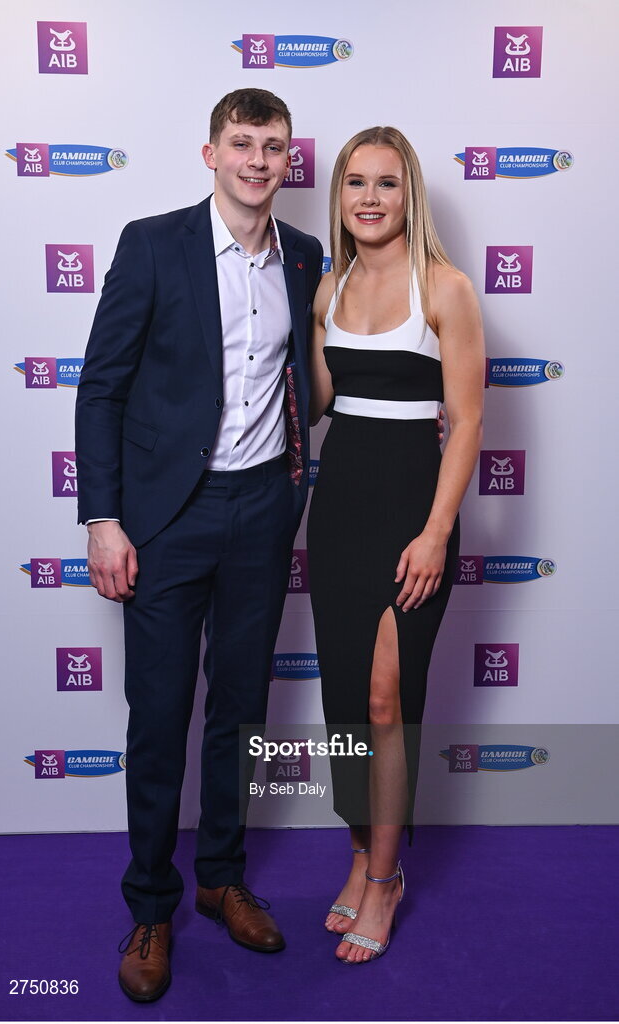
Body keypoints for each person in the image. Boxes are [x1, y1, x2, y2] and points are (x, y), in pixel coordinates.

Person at [75, 88, 323, 1002]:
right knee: (160, 713)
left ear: (289, 160)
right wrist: (103, 518)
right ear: (211, 153)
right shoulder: (153, 243)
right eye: (243, 143)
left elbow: (317, 376)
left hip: (263, 511)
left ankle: (222, 877)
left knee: (242, 710)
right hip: (165, 520)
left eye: (275, 146)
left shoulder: (304, 257)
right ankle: (151, 906)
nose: (260, 160)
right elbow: (99, 388)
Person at [307, 127, 484, 964]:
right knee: (345, 699)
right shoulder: (326, 288)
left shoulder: (445, 287)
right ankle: (356, 857)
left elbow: (470, 421)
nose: (369, 198)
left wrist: (437, 533)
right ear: (338, 196)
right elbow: (314, 402)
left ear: (409, 193)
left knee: (385, 700)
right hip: (336, 506)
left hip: (412, 512)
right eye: (354, 184)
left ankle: (386, 878)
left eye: (386, 183)